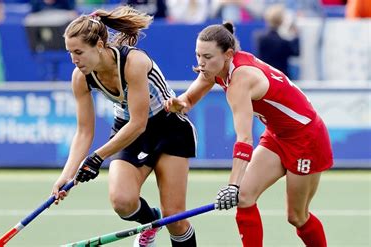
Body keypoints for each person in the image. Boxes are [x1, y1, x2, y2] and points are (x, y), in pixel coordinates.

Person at [165, 22, 333, 247]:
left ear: (228, 54)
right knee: (245, 198)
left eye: (207, 56)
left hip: (306, 138)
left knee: (296, 216)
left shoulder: (240, 80)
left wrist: (232, 185)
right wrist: (179, 104)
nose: (201, 63)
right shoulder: (214, 69)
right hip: (277, 135)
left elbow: (244, 139)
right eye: (198, 55)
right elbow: (189, 99)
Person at [51, 6, 198, 247]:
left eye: (79, 52)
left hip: (168, 127)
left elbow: (139, 123)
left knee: (175, 218)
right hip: (126, 128)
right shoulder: (81, 76)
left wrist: (97, 157)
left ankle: (166, 222)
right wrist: (67, 175)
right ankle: (151, 222)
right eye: (69, 52)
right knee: (122, 201)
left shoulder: (134, 62)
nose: (74, 60)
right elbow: (84, 131)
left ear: (99, 45)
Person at [255, 4, 299, 79]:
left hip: (265, 77)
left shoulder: (260, 38)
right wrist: (295, 36)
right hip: (282, 79)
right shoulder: (283, 42)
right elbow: (296, 53)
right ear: (281, 21)